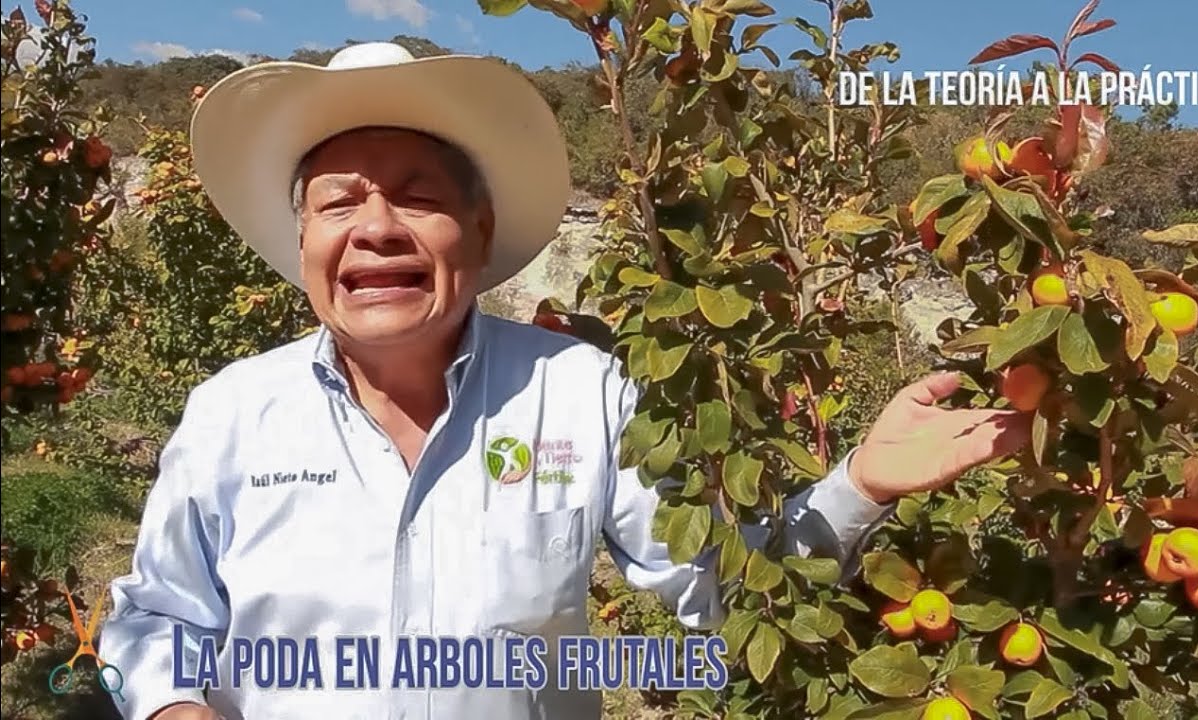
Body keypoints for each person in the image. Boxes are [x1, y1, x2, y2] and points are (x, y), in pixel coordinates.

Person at [98, 42, 1030, 720]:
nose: (376, 227)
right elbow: (152, 620)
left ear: (479, 226)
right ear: (304, 242)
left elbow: (722, 594)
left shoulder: (580, 392)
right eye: (339, 201)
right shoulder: (233, 413)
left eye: (417, 195)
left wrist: (857, 488)